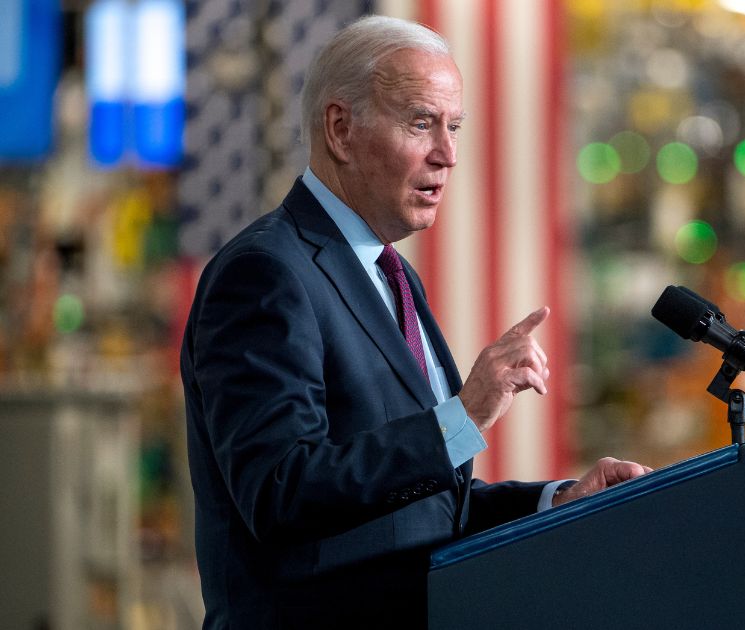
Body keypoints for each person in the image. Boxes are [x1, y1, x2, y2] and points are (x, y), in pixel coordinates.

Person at [180, 15, 649, 629]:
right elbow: (281, 492)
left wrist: (555, 501)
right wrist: (463, 417)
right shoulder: (265, 273)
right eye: (421, 122)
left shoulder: (392, 274)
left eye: (454, 127)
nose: (448, 155)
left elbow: (419, 510)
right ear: (341, 129)